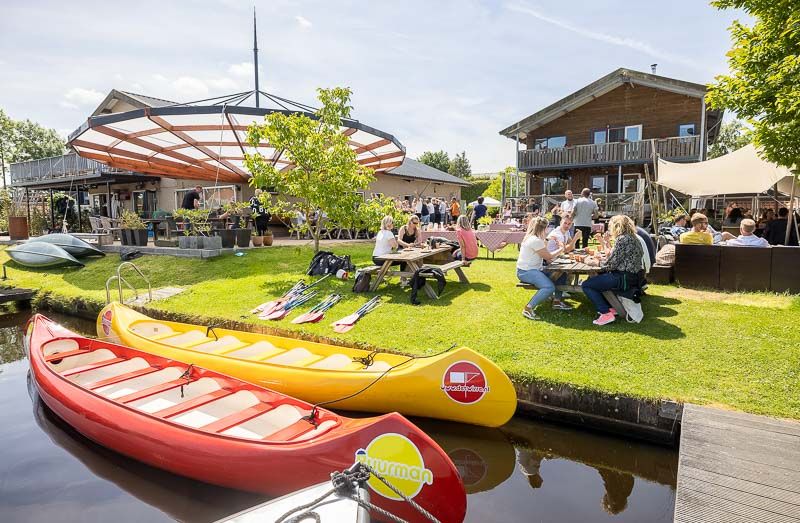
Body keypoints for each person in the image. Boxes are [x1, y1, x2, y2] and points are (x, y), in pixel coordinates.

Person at [582, 215, 644, 326]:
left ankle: (605, 313)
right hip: (633, 277)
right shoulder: (633, 238)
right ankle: (611, 308)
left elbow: (610, 265)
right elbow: (617, 260)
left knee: (587, 285)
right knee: (598, 278)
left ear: (616, 226)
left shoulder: (622, 239)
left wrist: (592, 262)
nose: (610, 229)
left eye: (610, 226)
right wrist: (603, 261)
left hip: (623, 278)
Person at [517, 216, 570, 320]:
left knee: (561, 274)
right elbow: (548, 256)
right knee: (549, 287)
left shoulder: (533, 238)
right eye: (547, 227)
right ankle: (528, 308)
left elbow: (544, 254)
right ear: (543, 228)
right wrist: (561, 248)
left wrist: (547, 240)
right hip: (526, 272)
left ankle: (557, 301)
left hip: (533, 270)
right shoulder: (535, 240)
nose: (548, 230)